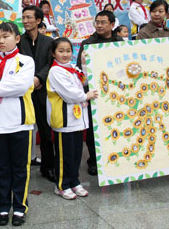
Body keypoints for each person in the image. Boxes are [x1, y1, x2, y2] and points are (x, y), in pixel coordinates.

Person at [0, 22, 35, 227]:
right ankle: (2, 207)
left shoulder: (25, 61)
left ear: (17, 38)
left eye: (6, 36)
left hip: (20, 122)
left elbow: (19, 86)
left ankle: (20, 208)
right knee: (0, 168)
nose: (1, 41)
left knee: (20, 168)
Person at [46, 38, 98, 199]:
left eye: (68, 51)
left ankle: (74, 181)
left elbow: (85, 80)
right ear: (54, 53)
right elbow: (70, 95)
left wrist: (83, 64)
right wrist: (86, 96)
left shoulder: (72, 68)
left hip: (77, 119)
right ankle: (61, 184)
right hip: (64, 120)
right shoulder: (55, 71)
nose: (65, 54)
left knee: (76, 154)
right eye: (61, 51)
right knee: (64, 155)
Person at [77, 11, 123, 175]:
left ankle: (116, 159)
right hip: (95, 93)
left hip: (116, 92)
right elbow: (80, 72)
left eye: (103, 22)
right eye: (97, 22)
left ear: (112, 25)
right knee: (93, 129)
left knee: (117, 125)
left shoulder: (120, 42)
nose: (99, 25)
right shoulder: (87, 43)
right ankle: (94, 161)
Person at [18, 5, 55, 182]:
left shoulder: (48, 42)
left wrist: (39, 78)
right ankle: (20, 167)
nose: (25, 21)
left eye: (29, 18)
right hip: (23, 92)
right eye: (23, 18)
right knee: (22, 130)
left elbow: (51, 64)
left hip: (41, 91)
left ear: (38, 20)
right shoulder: (18, 41)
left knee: (46, 131)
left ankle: (48, 167)